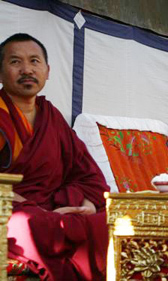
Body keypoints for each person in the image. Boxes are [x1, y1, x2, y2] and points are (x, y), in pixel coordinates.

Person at [0, 33, 108, 280]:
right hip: (12, 210)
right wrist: (35, 209)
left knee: (114, 221)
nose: (27, 69)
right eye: (15, 62)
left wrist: (86, 206)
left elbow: (89, 175)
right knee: (30, 224)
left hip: (57, 210)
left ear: (47, 71)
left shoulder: (52, 117)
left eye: (34, 61)